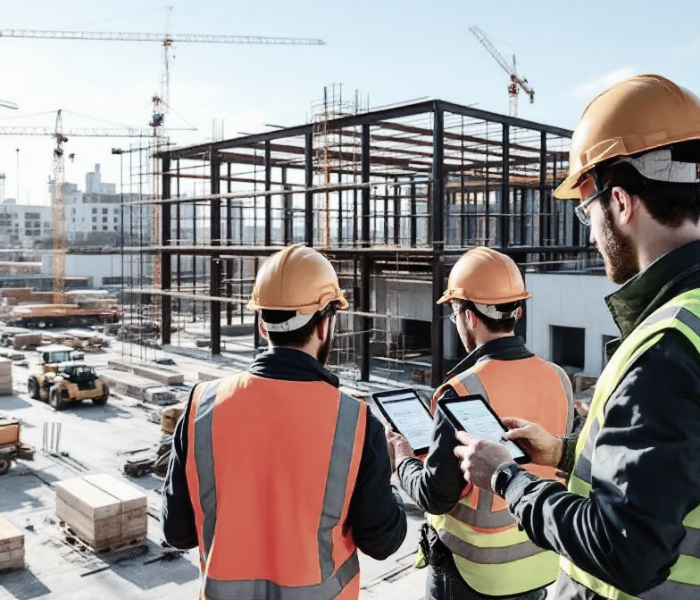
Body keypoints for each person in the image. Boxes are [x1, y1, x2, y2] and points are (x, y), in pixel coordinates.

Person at [454, 73, 700, 600]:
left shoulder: (666, 344)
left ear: (621, 203)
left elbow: (626, 548)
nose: (589, 233)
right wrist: (565, 453)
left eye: (586, 210)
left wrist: (508, 480)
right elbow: (674, 471)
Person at [161, 243, 407, 600]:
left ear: (263, 326)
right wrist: (391, 482)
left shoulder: (201, 406)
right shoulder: (354, 422)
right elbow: (383, 541)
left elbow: (177, 532)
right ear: (325, 326)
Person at [387, 246, 575, 600]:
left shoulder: (461, 389)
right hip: (539, 562)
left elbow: (435, 495)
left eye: (455, 313)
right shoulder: (559, 378)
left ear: (469, 317)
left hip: (472, 575)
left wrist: (403, 459)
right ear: (516, 311)